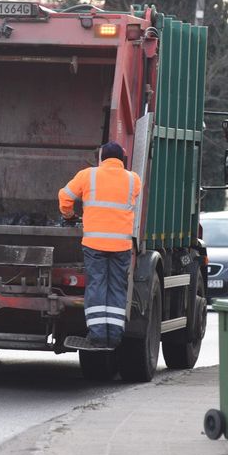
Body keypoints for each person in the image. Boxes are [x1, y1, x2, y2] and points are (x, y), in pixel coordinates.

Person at [59, 142, 141, 350]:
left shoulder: (88, 175)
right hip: (121, 246)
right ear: (122, 159)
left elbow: (65, 196)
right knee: (117, 288)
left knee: (97, 285)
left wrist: (69, 215)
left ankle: (97, 336)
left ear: (102, 158)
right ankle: (114, 336)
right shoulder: (134, 180)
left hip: (94, 244)